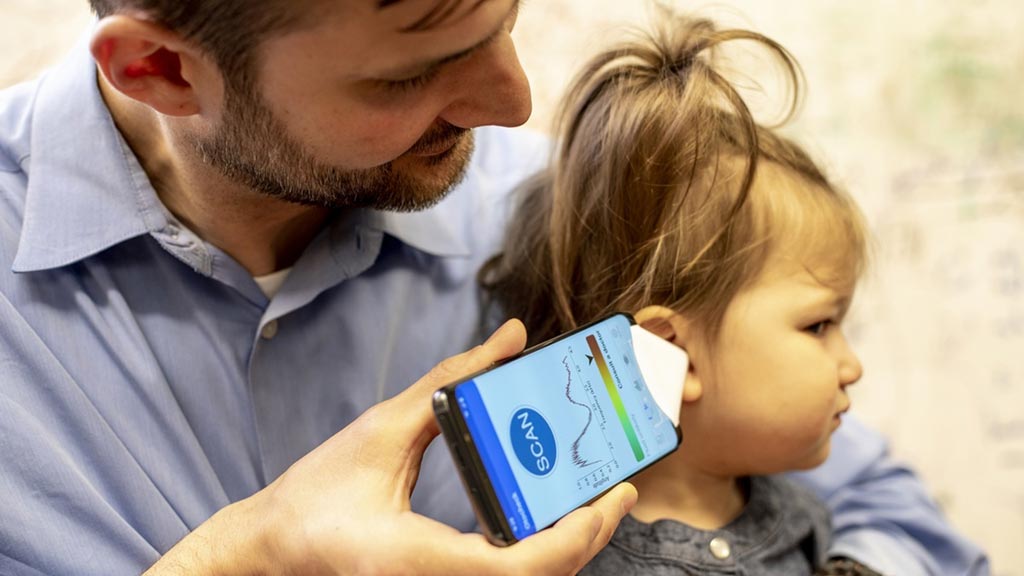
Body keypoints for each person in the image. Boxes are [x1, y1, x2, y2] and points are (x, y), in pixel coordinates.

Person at [0, 0, 987, 574]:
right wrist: (250, 557)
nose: (513, 103)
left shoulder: (558, 216)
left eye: (502, 20)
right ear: (160, 68)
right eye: (407, 77)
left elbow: (890, 517)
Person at [481, 14, 877, 574]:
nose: (851, 366)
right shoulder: (569, 559)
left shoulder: (805, 518)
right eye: (818, 326)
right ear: (672, 349)